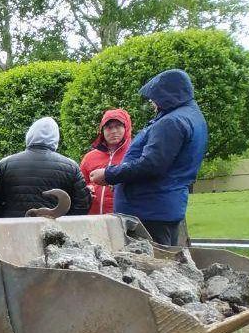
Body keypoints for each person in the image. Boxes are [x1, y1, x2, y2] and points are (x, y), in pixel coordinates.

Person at [89, 69, 207, 246]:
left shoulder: (171, 121)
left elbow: (151, 164)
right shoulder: (192, 117)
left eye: (155, 96)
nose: (152, 102)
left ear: (167, 94)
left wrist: (109, 174)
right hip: (162, 206)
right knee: (165, 263)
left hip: (149, 211)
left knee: (150, 266)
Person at [0, 117, 91, 218]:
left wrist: (4, 219)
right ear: (55, 138)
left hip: (13, 231)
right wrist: (62, 221)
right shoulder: (71, 167)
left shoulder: (4, 164)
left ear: (30, 135)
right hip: (53, 232)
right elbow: (83, 204)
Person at [79, 109, 132, 215]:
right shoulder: (90, 157)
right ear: (102, 131)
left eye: (118, 126)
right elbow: (80, 184)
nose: (113, 131)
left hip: (123, 218)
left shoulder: (133, 154)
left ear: (126, 128)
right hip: (93, 219)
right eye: (108, 127)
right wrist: (86, 190)